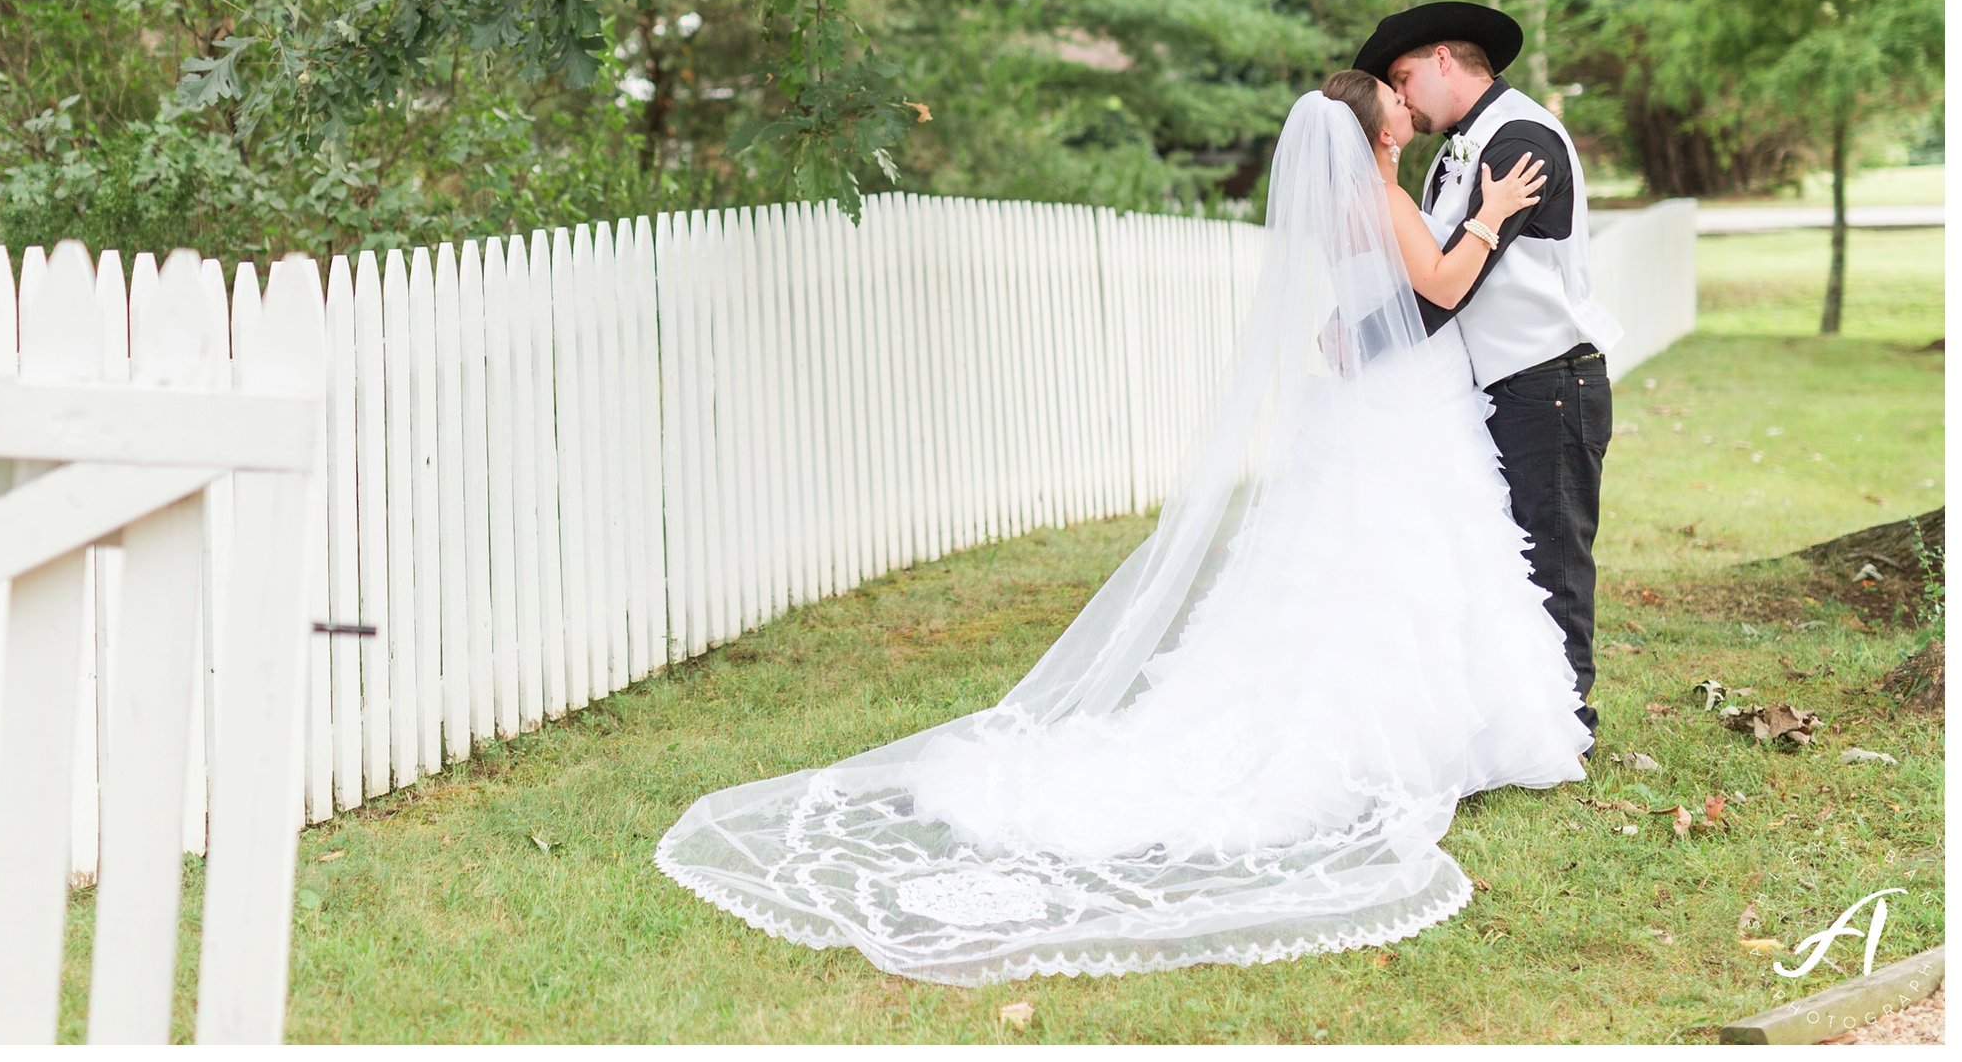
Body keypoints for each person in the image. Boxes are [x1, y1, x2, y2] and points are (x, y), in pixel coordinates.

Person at [655, 84, 1591, 984]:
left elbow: (1356, 314)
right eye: (1389, 94)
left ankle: (1437, 734)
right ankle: (1421, 739)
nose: (1402, 97)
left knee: (1358, 570)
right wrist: (1489, 212)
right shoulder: (1386, 195)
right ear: (1374, 132)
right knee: (1407, 566)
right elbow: (1438, 281)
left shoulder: (1348, 205)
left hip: (1371, 404)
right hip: (1402, 411)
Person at [1352, 1, 1622, 750]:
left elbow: (1453, 284)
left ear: (1445, 58)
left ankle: (1569, 724)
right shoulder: (1457, 150)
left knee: (1553, 552)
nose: (1401, 98)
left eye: (1404, 78)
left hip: (1549, 378)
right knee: (1511, 559)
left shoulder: (1521, 139)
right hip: (1500, 384)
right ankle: (1520, 715)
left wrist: (1363, 342)